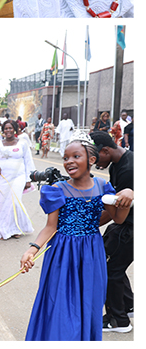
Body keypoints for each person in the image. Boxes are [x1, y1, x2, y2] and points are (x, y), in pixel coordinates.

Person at [22, 136, 132, 340]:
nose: (69, 161)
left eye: (75, 156)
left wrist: (128, 195)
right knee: (60, 305)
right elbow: (50, 227)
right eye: (65, 158)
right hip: (62, 253)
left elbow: (118, 218)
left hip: (92, 253)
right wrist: (32, 249)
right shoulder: (57, 190)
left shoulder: (102, 187)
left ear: (91, 160)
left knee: (89, 303)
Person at [90, 131, 134, 333]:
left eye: (96, 158)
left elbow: (116, 211)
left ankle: (119, 320)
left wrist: (89, 223)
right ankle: (128, 304)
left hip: (130, 227)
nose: (95, 163)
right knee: (115, 263)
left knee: (110, 271)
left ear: (106, 150)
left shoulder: (129, 169)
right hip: (124, 225)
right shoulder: (118, 163)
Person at [0, 119, 36, 239]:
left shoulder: (22, 143)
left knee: (15, 202)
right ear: (3, 130)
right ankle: (4, 229)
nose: (8, 130)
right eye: (6, 128)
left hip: (18, 177)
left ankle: (16, 228)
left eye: (10, 128)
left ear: (15, 129)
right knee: (1, 204)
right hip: (2, 178)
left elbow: (28, 161)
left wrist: (28, 179)